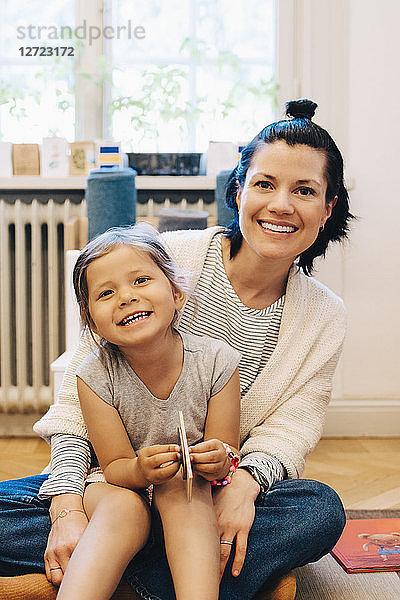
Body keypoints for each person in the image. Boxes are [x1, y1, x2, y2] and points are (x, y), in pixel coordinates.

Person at [0, 98, 353, 600]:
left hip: (208, 491)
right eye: (264, 184)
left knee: (318, 510)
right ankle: (173, 570)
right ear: (239, 190)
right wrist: (67, 508)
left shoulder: (324, 315)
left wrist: (244, 485)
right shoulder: (166, 259)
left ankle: (109, 571)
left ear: (328, 207)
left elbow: (290, 427)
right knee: (41, 511)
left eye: (304, 190)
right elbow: (79, 402)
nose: (281, 205)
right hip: (111, 486)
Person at [56, 223, 241, 600]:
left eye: (141, 280)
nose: (126, 297)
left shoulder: (217, 361)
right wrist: (139, 471)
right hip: (118, 488)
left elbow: (229, 453)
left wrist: (218, 460)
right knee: (123, 509)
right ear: (91, 321)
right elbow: (114, 467)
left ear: (176, 294)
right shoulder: (94, 374)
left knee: (184, 491)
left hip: (189, 493)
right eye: (106, 293)